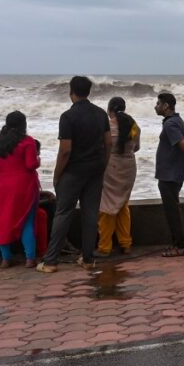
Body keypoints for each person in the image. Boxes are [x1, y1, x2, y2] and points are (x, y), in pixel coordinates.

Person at [37, 76, 111, 272]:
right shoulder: (101, 114)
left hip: (73, 171)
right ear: (88, 91)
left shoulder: (68, 117)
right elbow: (108, 143)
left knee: (63, 213)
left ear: (72, 92)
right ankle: (88, 259)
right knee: (90, 214)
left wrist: (56, 174)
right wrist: (103, 164)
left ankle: (51, 261)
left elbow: (65, 150)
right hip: (95, 170)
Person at [0, 111, 41, 268]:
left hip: (3, 186)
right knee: (27, 221)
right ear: (23, 125)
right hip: (24, 186)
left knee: (3, 221)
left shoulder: (0, 144)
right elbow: (30, 164)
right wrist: (38, 160)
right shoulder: (28, 141)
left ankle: (6, 259)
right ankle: (30, 259)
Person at [97, 97, 140, 257]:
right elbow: (136, 147)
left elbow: (103, 147)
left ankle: (104, 247)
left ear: (109, 110)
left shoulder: (106, 126)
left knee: (106, 206)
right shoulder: (133, 125)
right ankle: (125, 244)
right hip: (128, 167)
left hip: (111, 167)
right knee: (122, 205)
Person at [154, 92, 184, 257]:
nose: (155, 106)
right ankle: (178, 243)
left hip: (170, 174)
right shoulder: (177, 120)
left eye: (158, 103)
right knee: (173, 207)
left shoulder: (170, 124)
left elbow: (183, 145)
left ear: (166, 106)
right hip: (173, 172)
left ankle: (181, 246)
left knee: (172, 210)